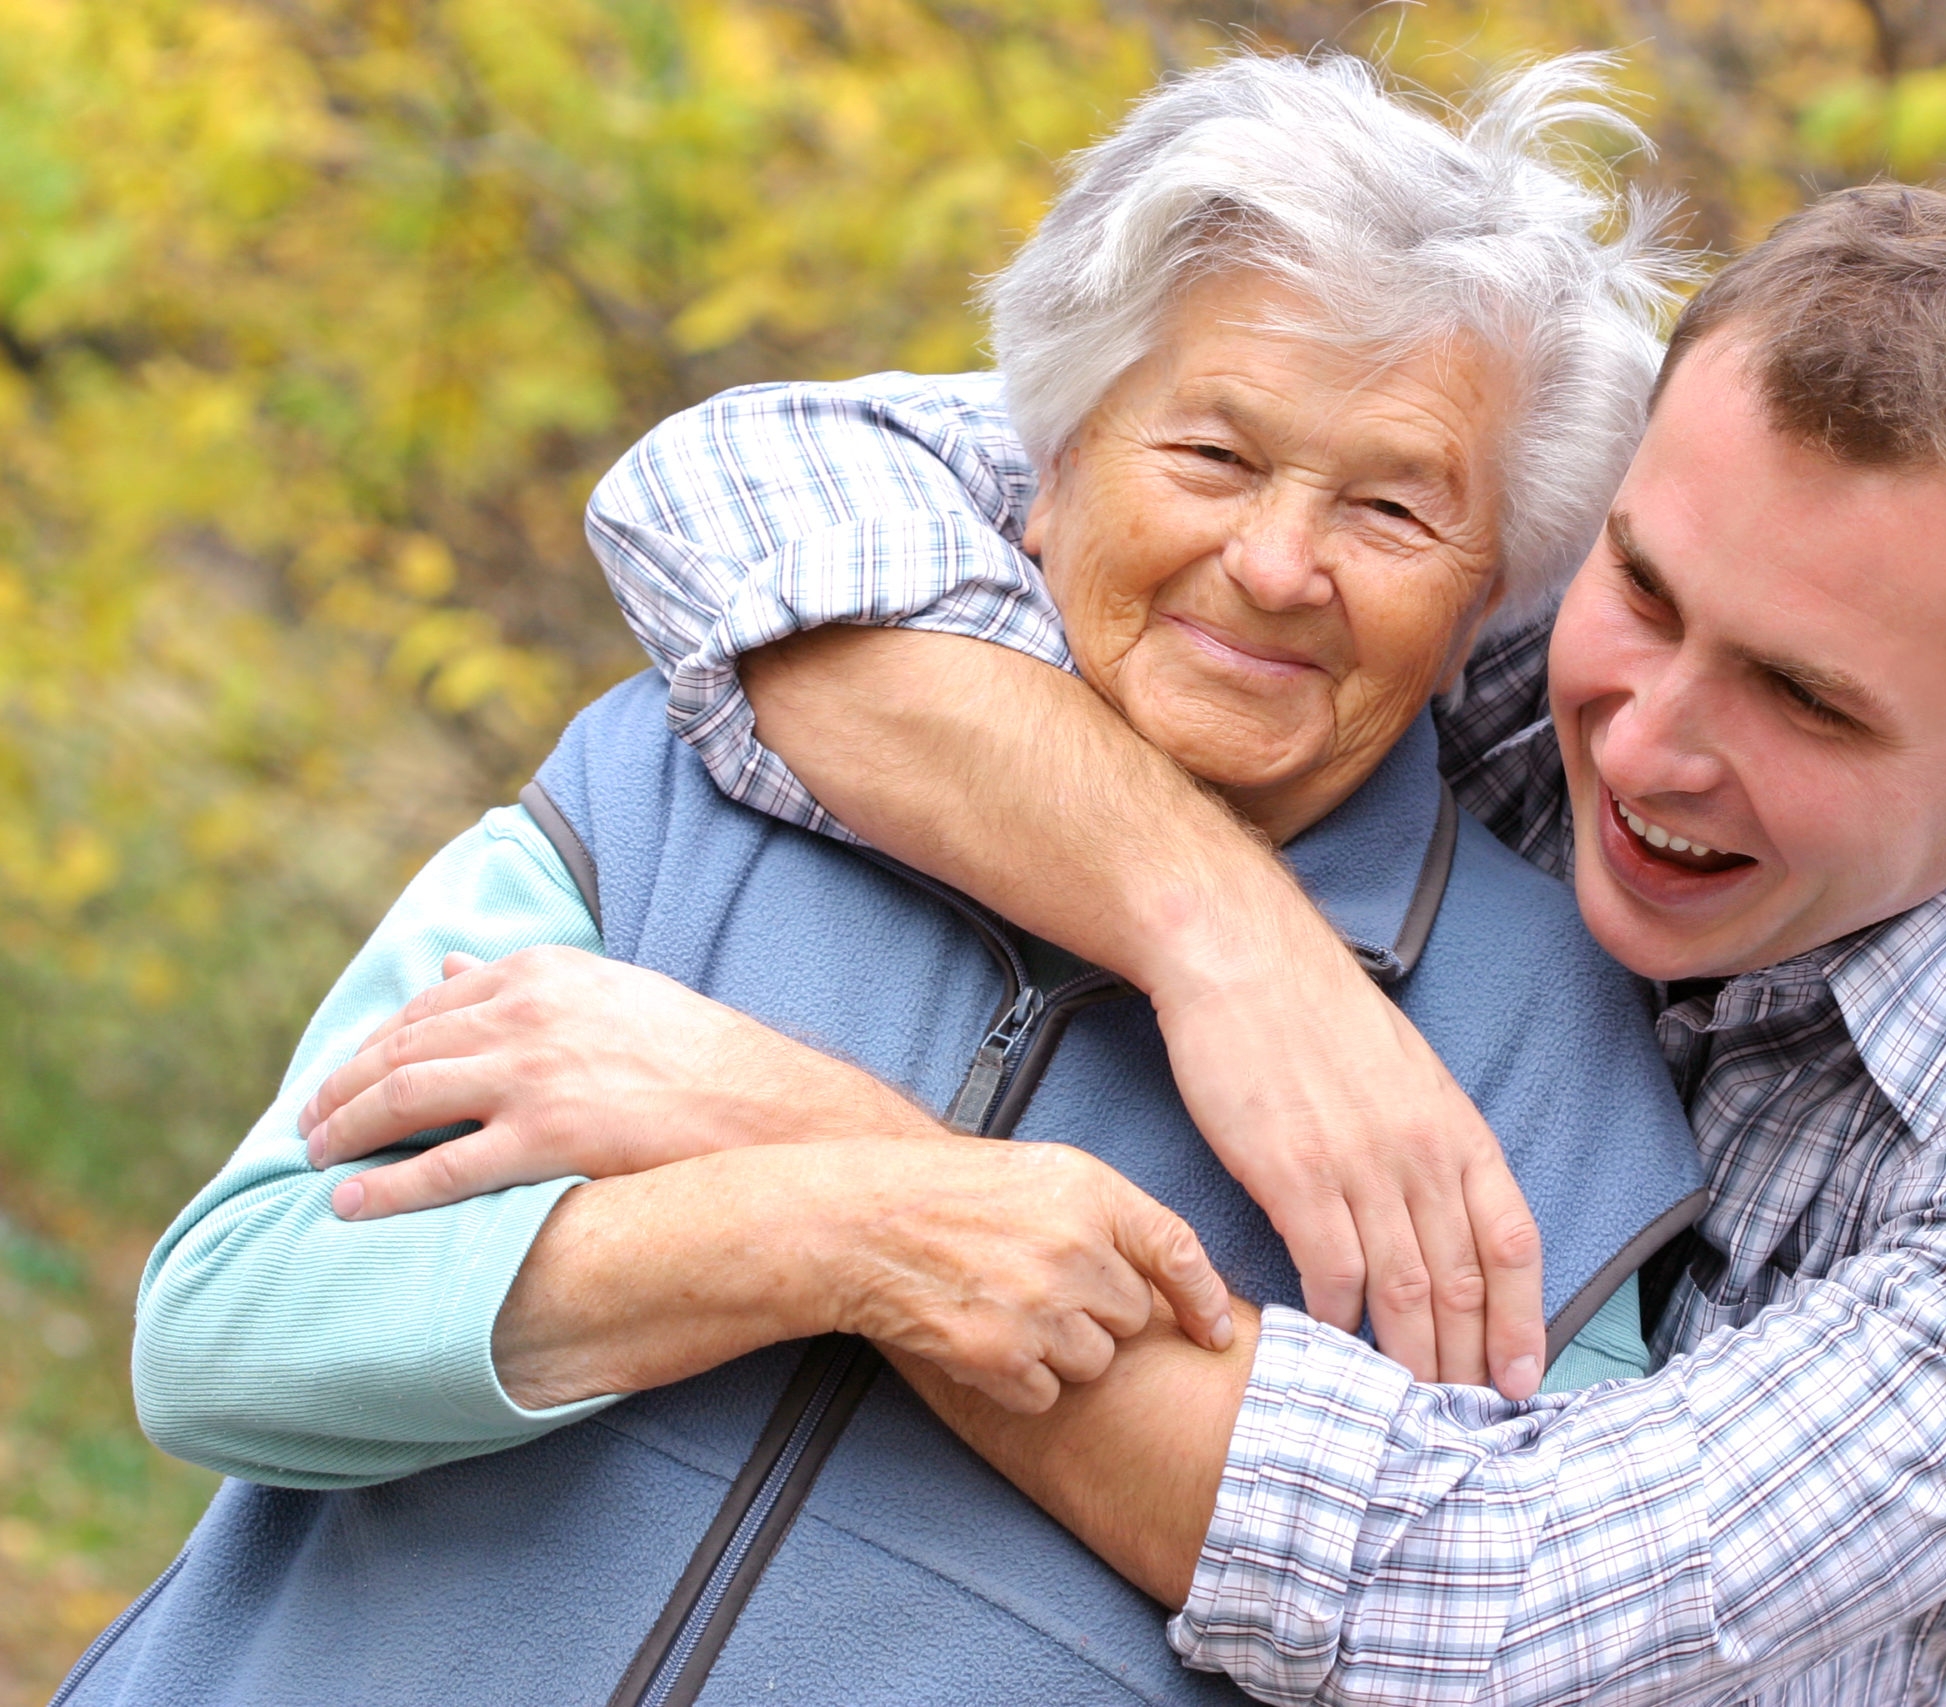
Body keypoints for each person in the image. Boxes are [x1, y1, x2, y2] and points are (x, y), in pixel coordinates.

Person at [495, 185, 1946, 1701]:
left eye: (1803, 701)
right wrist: (1227, 937)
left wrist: (848, 1183)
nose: (1641, 737)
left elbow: (1485, 1609)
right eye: (1640, 589)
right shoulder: (1496, 538)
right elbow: (748, 494)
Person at [63, 53, 1708, 1707]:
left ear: (1490, 597)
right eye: (1211, 456)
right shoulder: (687, 774)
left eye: (1392, 508)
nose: (1281, 566)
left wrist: (800, 1160)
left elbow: (1496, 1645)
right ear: (1045, 465)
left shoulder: (1552, 1068)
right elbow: (229, 1336)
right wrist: (844, 1225)